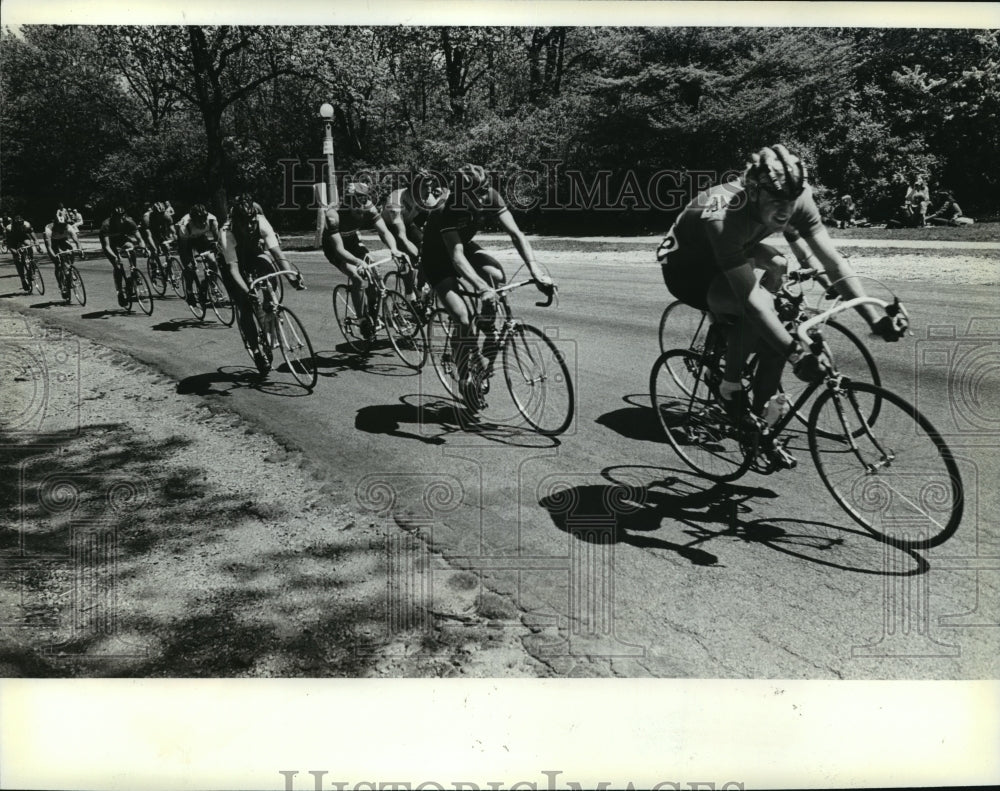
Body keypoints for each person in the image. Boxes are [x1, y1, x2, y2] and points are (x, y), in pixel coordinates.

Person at [657, 144, 905, 451]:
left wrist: (875, 317)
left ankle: (757, 418)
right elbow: (751, 300)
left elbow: (832, 261)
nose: (785, 209)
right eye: (776, 201)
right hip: (689, 268)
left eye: (790, 200)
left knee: (778, 273)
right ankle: (729, 389)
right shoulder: (723, 214)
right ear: (754, 192)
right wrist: (797, 355)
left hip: (735, 247)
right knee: (759, 318)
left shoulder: (796, 196)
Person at [420, 163, 554, 407]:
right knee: (461, 317)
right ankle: (464, 378)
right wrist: (482, 288)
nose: (484, 197)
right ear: (462, 194)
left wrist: (536, 271)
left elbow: (516, 234)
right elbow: (456, 258)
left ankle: (485, 321)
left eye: (484, 189)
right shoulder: (448, 209)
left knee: (497, 276)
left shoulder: (489, 194)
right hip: (437, 257)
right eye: (478, 193)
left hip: (462, 246)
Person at [218, 194, 304, 372]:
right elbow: (233, 270)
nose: (249, 226)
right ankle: (256, 351)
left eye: (251, 221)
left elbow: (278, 254)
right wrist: (247, 290)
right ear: (236, 221)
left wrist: (292, 278)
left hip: (252, 253)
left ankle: (268, 302)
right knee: (245, 305)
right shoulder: (226, 233)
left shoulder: (262, 222)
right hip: (232, 263)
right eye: (244, 222)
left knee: (267, 265)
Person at [320, 181, 407, 338]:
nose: (361, 204)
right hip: (335, 249)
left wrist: (394, 249)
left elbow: (384, 232)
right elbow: (339, 250)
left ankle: (373, 314)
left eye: (364, 198)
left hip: (353, 242)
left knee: (375, 273)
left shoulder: (368, 207)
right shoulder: (333, 215)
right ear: (347, 200)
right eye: (357, 200)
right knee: (358, 278)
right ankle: (362, 320)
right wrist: (358, 263)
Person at [381, 169, 448, 302]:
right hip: (391, 228)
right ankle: (409, 295)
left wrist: (443, 198)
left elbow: (437, 221)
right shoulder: (395, 199)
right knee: (407, 259)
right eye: (425, 187)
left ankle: (420, 288)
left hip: (409, 224)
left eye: (430, 186)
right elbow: (401, 235)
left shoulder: (427, 197)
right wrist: (412, 251)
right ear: (413, 187)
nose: (428, 191)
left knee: (426, 253)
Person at [176, 203, 222, 304]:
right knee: (190, 268)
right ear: (192, 219)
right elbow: (184, 249)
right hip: (186, 241)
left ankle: (208, 284)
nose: (202, 222)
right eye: (198, 220)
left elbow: (216, 239)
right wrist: (189, 261)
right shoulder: (185, 226)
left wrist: (216, 247)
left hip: (201, 238)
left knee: (213, 262)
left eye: (203, 218)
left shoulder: (212, 220)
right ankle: (189, 292)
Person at [98, 206, 145, 307]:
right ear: (112, 217)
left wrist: (143, 247)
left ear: (124, 217)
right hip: (109, 243)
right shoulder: (106, 225)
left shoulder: (129, 221)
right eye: (116, 217)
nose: (119, 220)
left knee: (131, 247)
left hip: (120, 238)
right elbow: (106, 246)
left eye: (121, 217)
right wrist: (115, 257)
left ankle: (134, 271)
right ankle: (119, 292)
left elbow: (140, 239)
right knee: (118, 266)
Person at [43, 209, 84, 296]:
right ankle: (61, 285)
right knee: (57, 264)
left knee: (70, 250)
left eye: (63, 226)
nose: (61, 228)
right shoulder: (48, 229)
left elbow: (77, 241)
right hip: (53, 242)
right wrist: (54, 256)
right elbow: (49, 247)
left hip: (63, 240)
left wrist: (80, 250)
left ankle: (70, 267)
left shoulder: (69, 227)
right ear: (55, 224)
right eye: (59, 226)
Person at [5, 215, 39, 290]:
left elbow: (34, 237)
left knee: (28, 245)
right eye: (17, 226)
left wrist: (37, 245)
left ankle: (31, 262)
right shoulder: (9, 228)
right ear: (14, 225)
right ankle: (23, 280)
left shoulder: (27, 225)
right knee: (17, 260)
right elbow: (9, 244)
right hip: (13, 240)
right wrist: (15, 252)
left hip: (23, 237)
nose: (19, 227)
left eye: (21, 225)